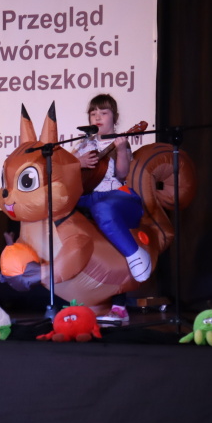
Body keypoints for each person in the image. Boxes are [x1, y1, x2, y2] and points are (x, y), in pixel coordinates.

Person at [70, 94, 151, 283]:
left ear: (115, 117)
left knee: (102, 208)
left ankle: (135, 255)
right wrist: (77, 162)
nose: (97, 117)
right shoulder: (83, 144)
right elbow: (64, 170)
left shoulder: (120, 143)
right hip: (86, 197)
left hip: (114, 196)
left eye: (104, 113)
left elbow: (122, 174)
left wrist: (121, 150)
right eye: (93, 114)